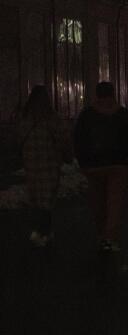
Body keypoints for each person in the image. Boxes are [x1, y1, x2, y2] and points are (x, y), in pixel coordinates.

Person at [74, 81, 128, 252]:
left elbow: (79, 138)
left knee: (98, 201)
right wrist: (125, 154)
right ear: (113, 94)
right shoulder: (122, 114)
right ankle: (110, 238)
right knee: (114, 202)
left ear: (97, 95)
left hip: (93, 165)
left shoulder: (87, 115)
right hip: (117, 164)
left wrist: (83, 160)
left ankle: (101, 232)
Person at [18, 85, 73, 247]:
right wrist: (67, 154)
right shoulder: (51, 118)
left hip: (31, 164)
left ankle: (39, 230)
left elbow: (18, 139)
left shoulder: (25, 118)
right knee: (47, 199)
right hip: (49, 163)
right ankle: (43, 232)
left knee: (36, 197)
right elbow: (63, 138)